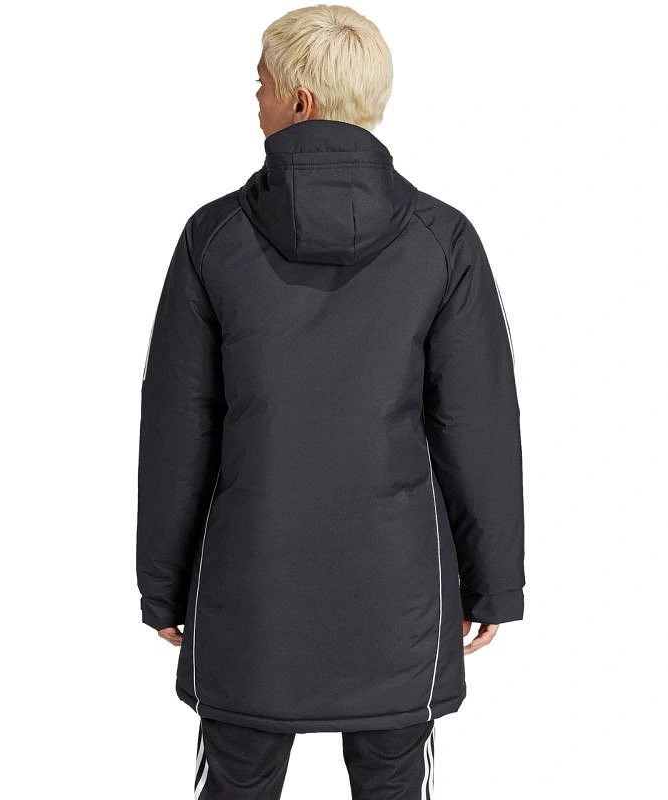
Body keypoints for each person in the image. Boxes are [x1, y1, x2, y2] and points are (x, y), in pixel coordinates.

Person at [136, 5, 525, 798]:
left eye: (261, 85)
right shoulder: (442, 239)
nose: (255, 100)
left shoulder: (213, 237)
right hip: (398, 595)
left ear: (299, 101)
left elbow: (179, 425)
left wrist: (164, 583)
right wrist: (494, 580)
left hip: (248, 593)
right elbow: (477, 422)